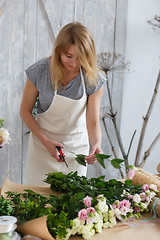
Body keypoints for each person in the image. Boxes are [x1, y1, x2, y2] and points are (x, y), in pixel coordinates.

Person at [20, 22, 106, 185]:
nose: (74, 63)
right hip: (41, 147)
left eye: (81, 57)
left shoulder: (93, 79)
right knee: (36, 202)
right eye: (69, 56)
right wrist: (46, 142)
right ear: (59, 51)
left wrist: (96, 145)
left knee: (71, 203)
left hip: (75, 151)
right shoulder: (40, 71)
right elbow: (25, 111)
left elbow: (93, 121)